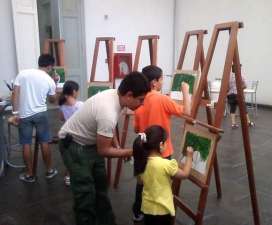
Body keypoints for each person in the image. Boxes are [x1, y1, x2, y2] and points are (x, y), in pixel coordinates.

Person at [58, 72, 150, 225]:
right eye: (140, 100)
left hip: (91, 142)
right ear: (129, 94)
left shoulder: (115, 96)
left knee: (101, 186)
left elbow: (108, 128)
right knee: (85, 193)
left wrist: (117, 146)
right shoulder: (108, 111)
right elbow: (103, 151)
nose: (142, 104)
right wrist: (131, 152)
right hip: (74, 145)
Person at [132, 65, 191, 221]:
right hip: (162, 151)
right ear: (154, 82)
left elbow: (136, 129)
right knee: (161, 184)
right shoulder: (161, 99)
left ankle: (139, 212)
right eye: (161, 79)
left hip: (144, 152)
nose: (163, 82)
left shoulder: (140, 100)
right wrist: (185, 91)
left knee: (143, 183)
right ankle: (160, 211)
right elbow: (187, 113)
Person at [133, 125, 193, 225]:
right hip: (163, 210)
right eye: (166, 142)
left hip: (147, 208)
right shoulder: (166, 164)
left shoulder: (141, 161)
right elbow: (185, 174)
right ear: (161, 145)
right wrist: (189, 157)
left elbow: (140, 181)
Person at [12, 54, 58, 183]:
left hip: (24, 114)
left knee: (26, 144)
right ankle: (49, 171)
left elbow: (15, 93)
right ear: (49, 66)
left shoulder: (23, 73)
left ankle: (30, 174)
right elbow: (53, 100)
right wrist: (54, 83)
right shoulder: (49, 80)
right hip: (41, 113)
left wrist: (15, 113)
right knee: (45, 141)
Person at [58, 80, 83, 186]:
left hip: (67, 135)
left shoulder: (62, 106)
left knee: (70, 157)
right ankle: (77, 175)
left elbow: (61, 119)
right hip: (79, 135)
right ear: (73, 91)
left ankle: (68, 176)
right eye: (77, 91)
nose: (78, 93)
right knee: (79, 157)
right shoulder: (80, 105)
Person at [227, 64, 255, 128]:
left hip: (230, 95)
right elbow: (245, 86)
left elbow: (227, 87)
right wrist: (239, 88)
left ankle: (233, 124)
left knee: (232, 108)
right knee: (243, 109)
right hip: (238, 95)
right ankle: (248, 122)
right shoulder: (240, 76)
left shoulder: (228, 76)